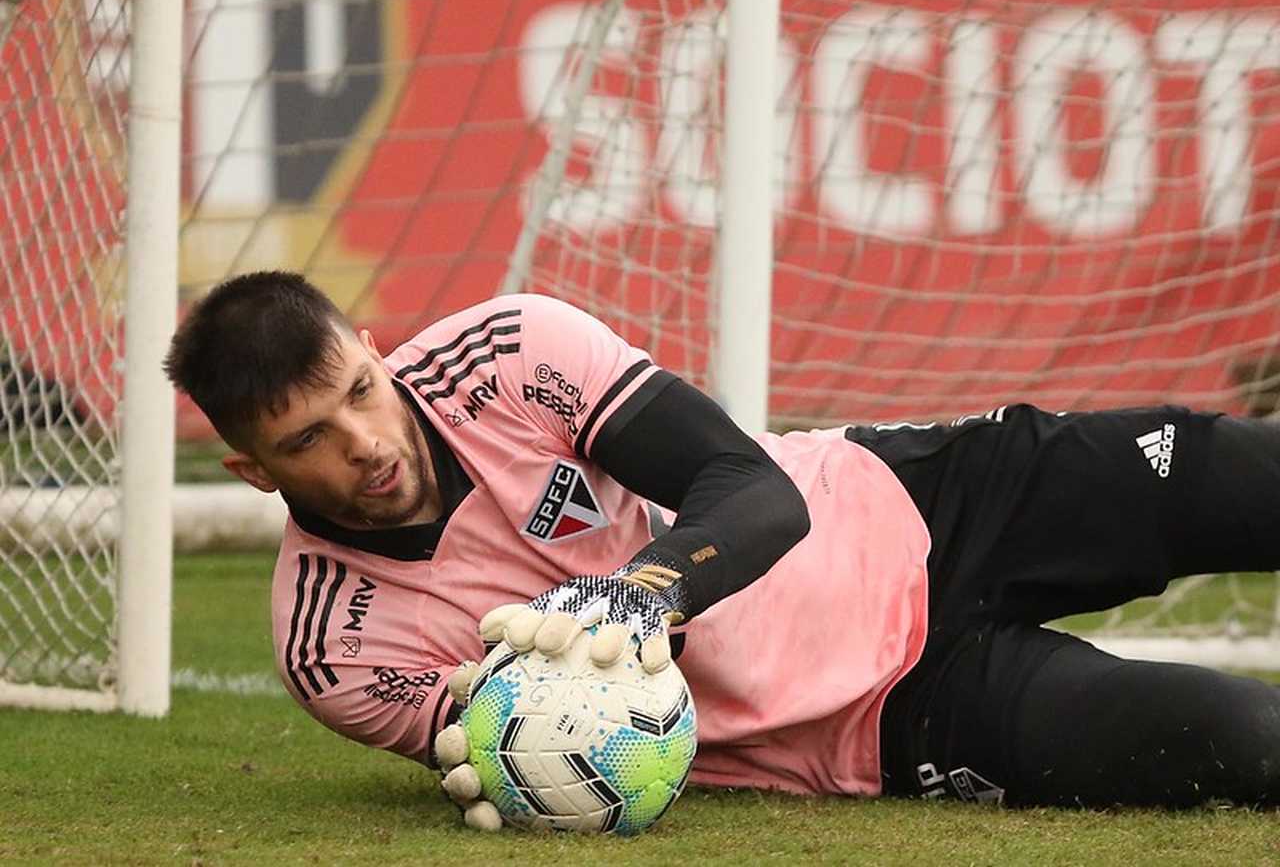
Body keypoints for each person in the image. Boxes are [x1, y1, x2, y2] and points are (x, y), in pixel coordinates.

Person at [163, 271, 1280, 829]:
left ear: (372, 347)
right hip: (877, 719)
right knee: (1238, 735)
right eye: (308, 439)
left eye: (360, 390)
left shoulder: (507, 351)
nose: (363, 445)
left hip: (908, 500)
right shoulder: (334, 648)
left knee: (1245, 475)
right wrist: (512, 756)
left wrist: (633, 597)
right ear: (252, 470)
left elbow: (749, 488)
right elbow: (557, 772)